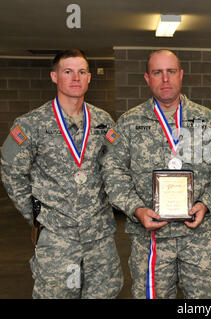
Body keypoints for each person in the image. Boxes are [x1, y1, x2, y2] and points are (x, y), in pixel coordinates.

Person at [100, 49, 211, 299]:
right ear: (147, 78)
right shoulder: (129, 123)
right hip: (151, 240)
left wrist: (206, 204)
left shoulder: (209, 121)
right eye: (157, 72)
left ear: (181, 75)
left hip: (201, 238)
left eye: (171, 71)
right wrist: (136, 209)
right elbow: (113, 172)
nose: (165, 79)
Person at [0, 49, 123, 298]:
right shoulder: (31, 124)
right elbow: (10, 171)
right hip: (57, 238)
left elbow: (115, 168)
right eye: (68, 72)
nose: (75, 78)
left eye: (81, 72)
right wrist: (36, 215)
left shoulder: (103, 121)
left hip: (99, 236)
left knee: (104, 293)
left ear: (89, 78)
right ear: (54, 77)